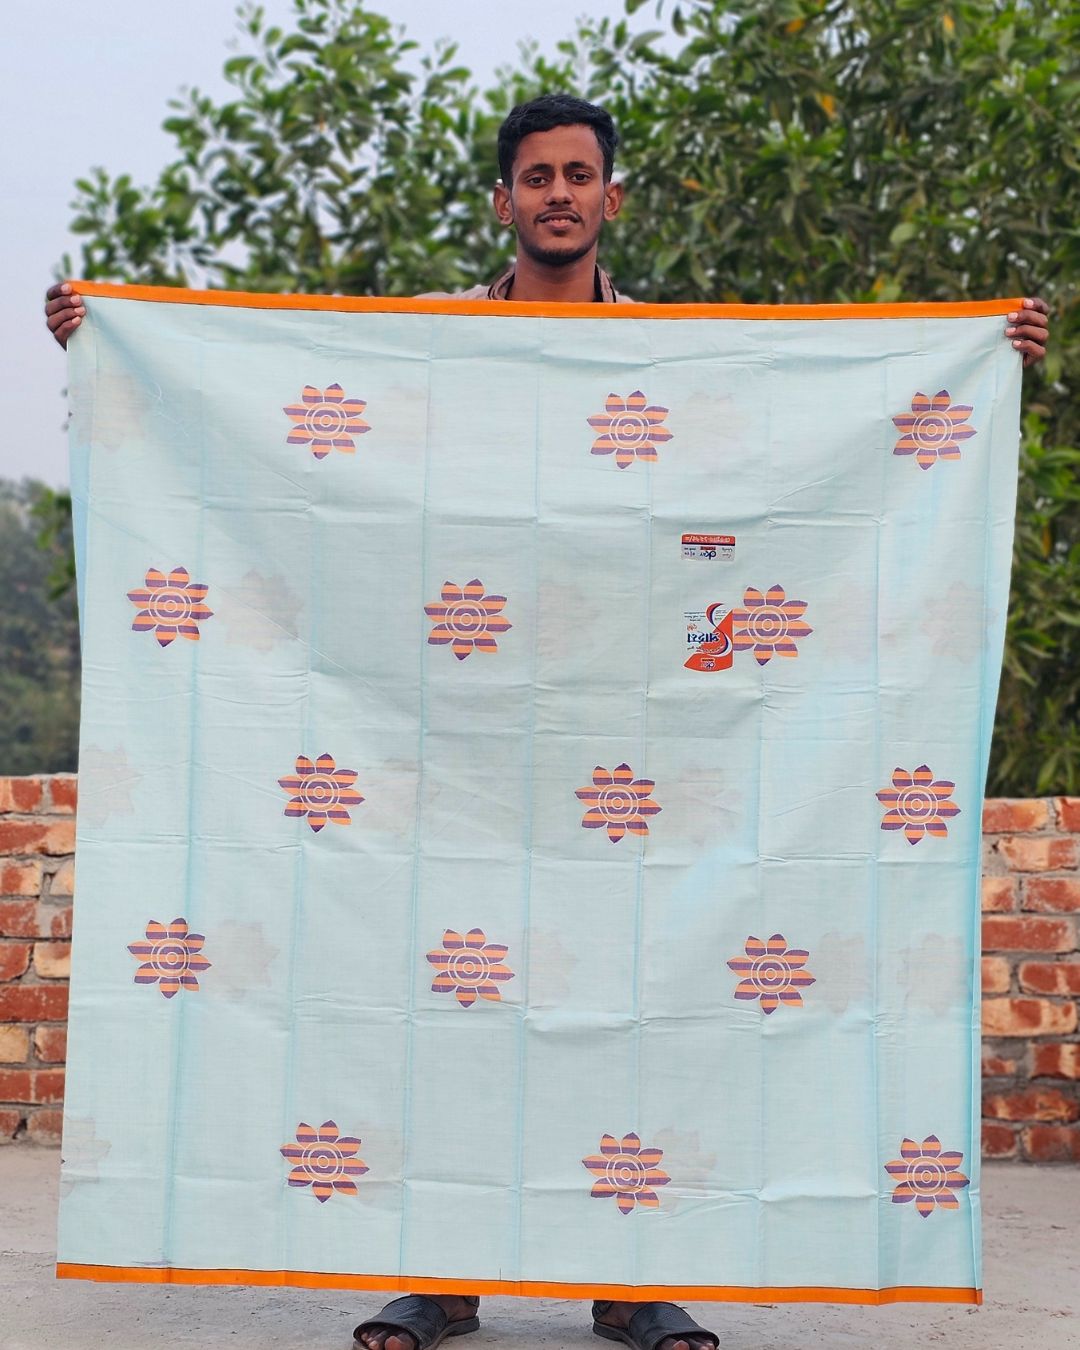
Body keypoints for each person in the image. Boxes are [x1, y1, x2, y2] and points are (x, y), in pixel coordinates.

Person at [43, 93, 1050, 1350]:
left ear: (610, 197)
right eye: (536, 176)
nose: (558, 194)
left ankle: (633, 1282)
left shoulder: (668, 363)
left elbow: (786, 453)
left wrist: (976, 358)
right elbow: (276, 414)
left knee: (637, 999)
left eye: (579, 175)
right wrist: (113, 343)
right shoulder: (433, 349)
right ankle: (441, 1279)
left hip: (632, 743)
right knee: (443, 1005)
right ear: (504, 200)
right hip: (443, 743)